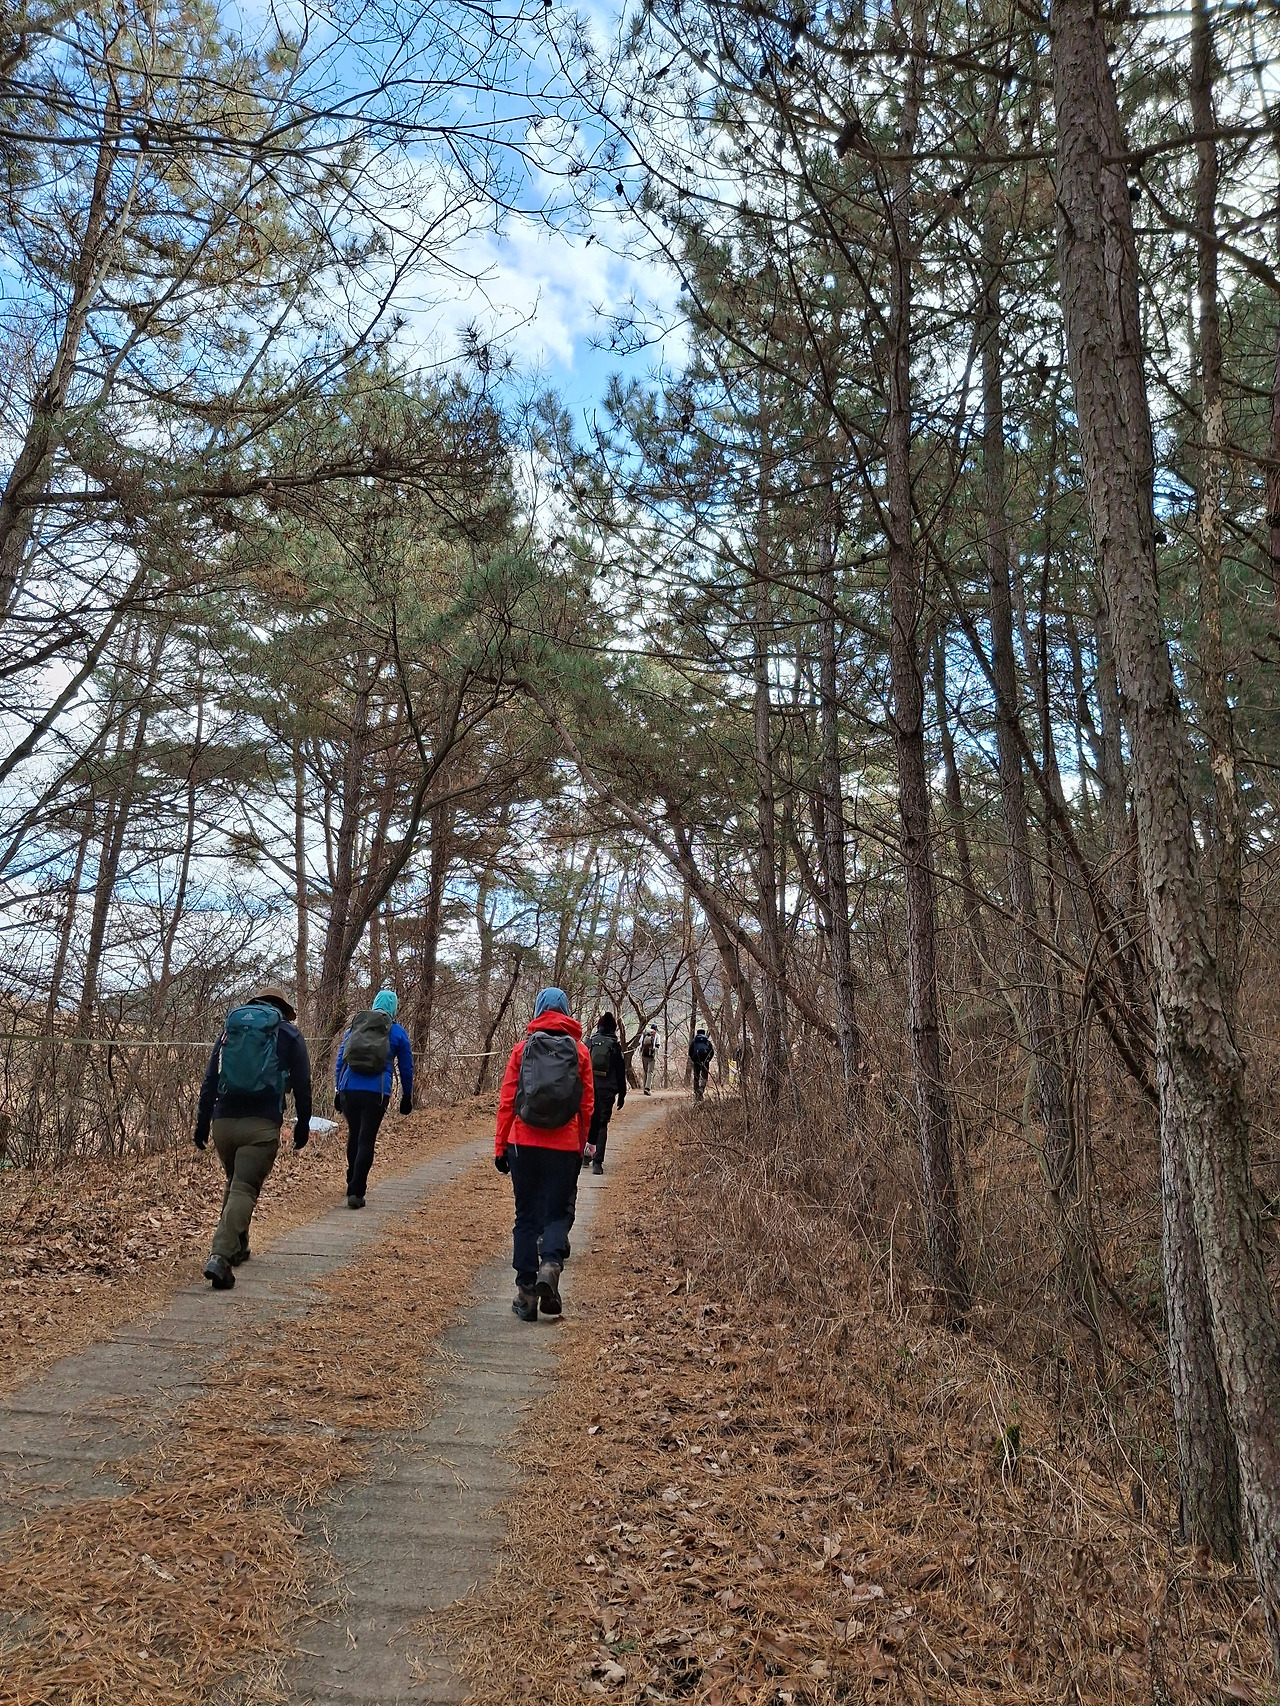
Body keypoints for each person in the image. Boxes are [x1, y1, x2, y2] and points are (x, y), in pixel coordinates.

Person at [194, 984, 312, 1291]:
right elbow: (302, 1083)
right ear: (283, 1011)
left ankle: (239, 1246)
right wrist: (303, 1124)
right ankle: (220, 1256)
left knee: (235, 1182)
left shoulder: (230, 1031)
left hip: (223, 1124)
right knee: (244, 1188)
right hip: (260, 1125)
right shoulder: (288, 1033)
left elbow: (211, 1080)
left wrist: (202, 1123)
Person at [494, 987, 593, 1321]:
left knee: (526, 1217)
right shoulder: (580, 1052)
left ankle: (525, 1295)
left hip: (523, 1142)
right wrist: (579, 1146)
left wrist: (500, 1146)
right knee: (557, 1213)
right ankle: (550, 1265)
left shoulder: (522, 1049)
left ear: (538, 1010)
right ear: (566, 1011)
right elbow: (586, 1105)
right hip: (564, 1145)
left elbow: (508, 1101)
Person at [335, 988, 414, 1210]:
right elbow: (407, 1067)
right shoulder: (397, 1032)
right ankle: (356, 1191)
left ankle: (352, 1179)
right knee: (366, 1139)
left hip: (349, 1088)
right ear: (394, 1007)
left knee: (354, 1135)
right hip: (377, 1092)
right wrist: (407, 1095)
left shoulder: (356, 1027)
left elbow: (341, 1059)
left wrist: (337, 1089)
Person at [585, 1011, 627, 1175]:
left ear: (599, 1026)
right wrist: (622, 1095)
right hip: (607, 1090)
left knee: (587, 1121)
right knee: (601, 1124)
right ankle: (597, 1162)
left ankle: (586, 1156)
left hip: (588, 1087)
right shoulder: (615, 1046)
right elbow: (620, 1072)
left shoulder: (590, 1043)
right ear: (614, 1028)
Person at [688, 1025, 714, 1100]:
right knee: (704, 1076)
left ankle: (697, 1094)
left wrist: (693, 1060)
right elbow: (712, 1052)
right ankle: (701, 1089)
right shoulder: (707, 1042)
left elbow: (690, 1052)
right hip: (706, 1061)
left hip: (696, 1061)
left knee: (696, 1077)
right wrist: (708, 1060)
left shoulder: (694, 1041)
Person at [640, 1022, 660, 1095]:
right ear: (656, 1029)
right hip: (651, 1056)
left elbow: (640, 1044)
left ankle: (644, 1088)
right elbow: (657, 1045)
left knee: (645, 1071)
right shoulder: (657, 1035)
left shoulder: (644, 1034)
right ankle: (647, 1088)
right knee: (650, 1072)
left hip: (643, 1055)